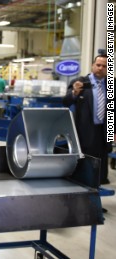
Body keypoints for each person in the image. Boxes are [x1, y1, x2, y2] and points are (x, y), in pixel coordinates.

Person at [63, 54, 111, 185]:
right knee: (86, 164)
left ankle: (99, 188)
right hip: (84, 130)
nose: (101, 68)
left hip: (104, 131)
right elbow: (65, 101)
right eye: (98, 65)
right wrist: (74, 93)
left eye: (104, 66)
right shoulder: (80, 82)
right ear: (92, 65)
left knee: (101, 167)